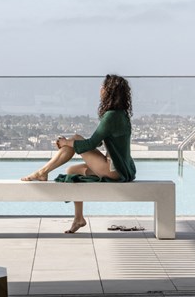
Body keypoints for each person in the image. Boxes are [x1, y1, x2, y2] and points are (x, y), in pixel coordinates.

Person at [20, 74, 136, 234]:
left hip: (116, 170)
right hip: (123, 169)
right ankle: (79, 218)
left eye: (103, 86)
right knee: (72, 171)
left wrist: (67, 143)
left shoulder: (112, 116)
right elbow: (101, 142)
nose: (100, 88)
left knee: (75, 139)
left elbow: (91, 144)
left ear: (110, 91)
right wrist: (69, 143)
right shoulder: (120, 114)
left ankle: (42, 172)